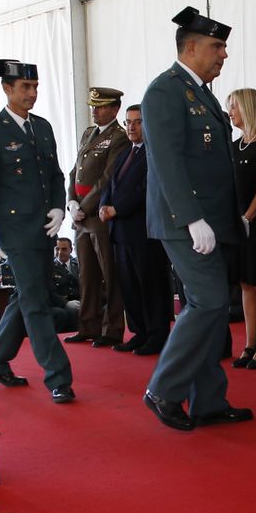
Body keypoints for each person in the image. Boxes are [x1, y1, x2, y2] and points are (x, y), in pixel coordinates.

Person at [140, 7, 252, 432]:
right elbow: (167, 161)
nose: (223, 54)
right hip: (183, 221)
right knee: (208, 302)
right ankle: (163, 389)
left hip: (211, 220)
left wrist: (230, 215)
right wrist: (191, 218)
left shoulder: (200, 92)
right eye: (216, 46)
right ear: (190, 47)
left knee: (207, 306)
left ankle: (207, 400)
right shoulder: (165, 91)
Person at [0, 59, 75, 403]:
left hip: (43, 229)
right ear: (7, 89)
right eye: (25, 88)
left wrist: (59, 206)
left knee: (26, 296)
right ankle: (58, 376)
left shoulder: (42, 128)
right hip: (15, 231)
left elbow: (57, 175)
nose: (32, 93)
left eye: (35, 87)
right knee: (37, 303)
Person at [99, 103, 173, 355]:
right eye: (128, 122)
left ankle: (157, 335)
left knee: (151, 285)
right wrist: (103, 205)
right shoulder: (125, 153)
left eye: (138, 121)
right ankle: (139, 332)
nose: (132, 126)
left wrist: (116, 209)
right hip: (121, 234)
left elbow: (146, 190)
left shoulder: (155, 153)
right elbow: (110, 184)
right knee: (130, 286)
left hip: (145, 233)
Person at [65, 87, 129, 347]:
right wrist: (70, 202)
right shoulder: (88, 133)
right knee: (86, 275)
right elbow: (74, 171)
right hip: (80, 217)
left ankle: (112, 328)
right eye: (93, 106)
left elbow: (107, 178)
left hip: (99, 217)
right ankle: (88, 324)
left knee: (109, 275)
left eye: (100, 107)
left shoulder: (118, 137)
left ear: (114, 109)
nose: (95, 111)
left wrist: (85, 206)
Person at [226, 88, 256, 371]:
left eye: (234, 107)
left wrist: (247, 218)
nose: (231, 112)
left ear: (248, 108)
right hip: (238, 224)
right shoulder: (235, 145)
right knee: (245, 282)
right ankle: (249, 342)